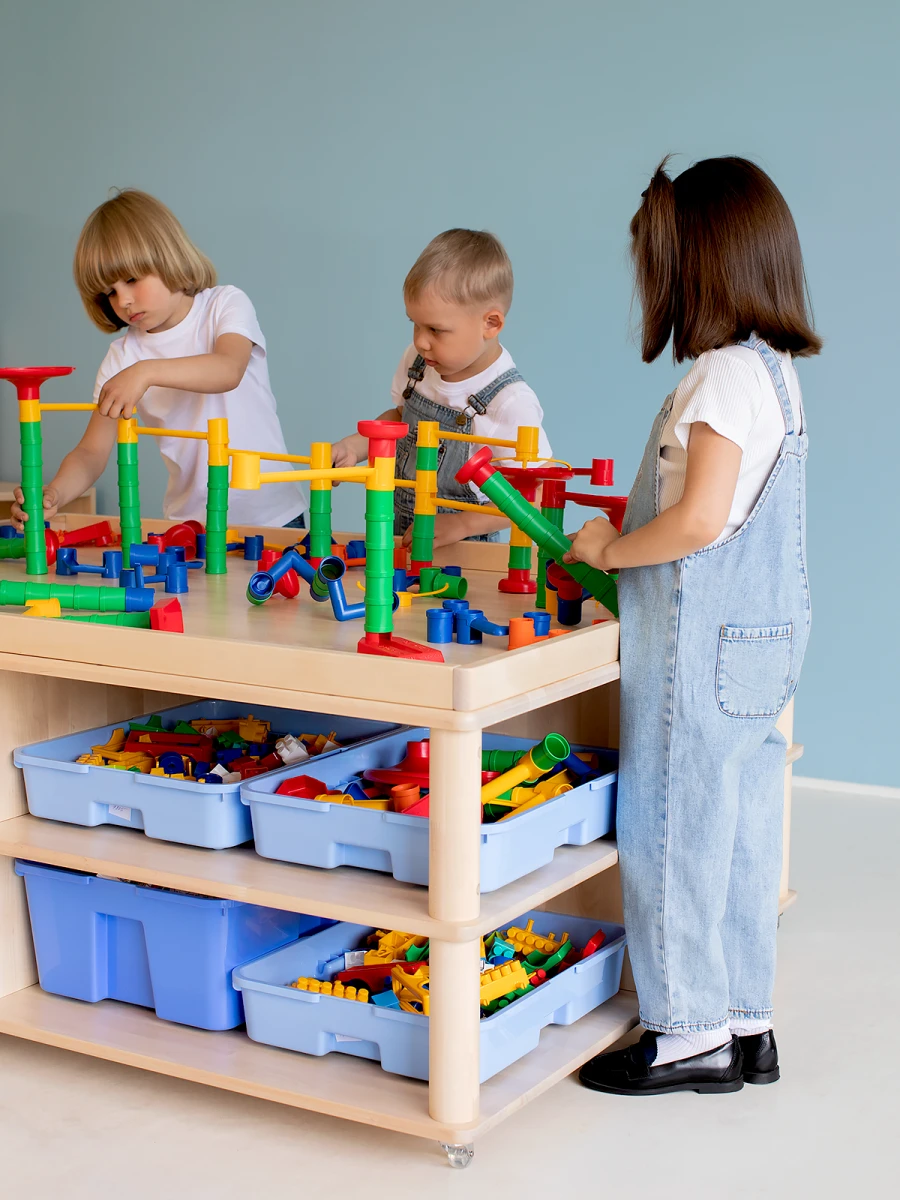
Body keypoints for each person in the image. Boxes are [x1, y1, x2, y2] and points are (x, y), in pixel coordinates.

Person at [571, 157, 819, 1096]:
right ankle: (747, 1020)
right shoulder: (777, 377)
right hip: (764, 641)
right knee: (746, 828)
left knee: (673, 827)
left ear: (698, 266)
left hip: (699, 642)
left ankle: (685, 1034)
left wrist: (605, 549)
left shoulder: (717, 378)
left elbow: (699, 522)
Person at [11, 189, 306, 532]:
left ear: (167, 256)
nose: (123, 301)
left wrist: (147, 372)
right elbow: (92, 452)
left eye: (132, 280)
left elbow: (228, 370)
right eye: (109, 292)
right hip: (191, 528)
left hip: (275, 518)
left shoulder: (225, 305)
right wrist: (54, 494)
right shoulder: (123, 357)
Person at [330, 228, 552, 549]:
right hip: (398, 540)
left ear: (490, 323)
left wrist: (463, 523)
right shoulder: (419, 362)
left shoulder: (510, 402)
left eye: (436, 329)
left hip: (466, 556)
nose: (420, 341)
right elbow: (401, 418)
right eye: (415, 324)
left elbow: (535, 495)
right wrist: (356, 445)